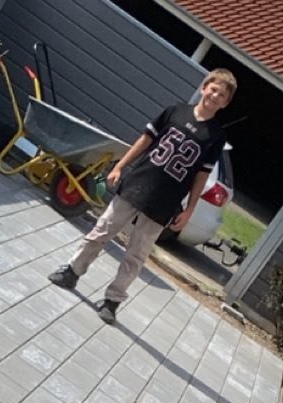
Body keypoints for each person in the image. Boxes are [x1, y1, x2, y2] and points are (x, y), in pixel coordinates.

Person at [48, 69, 237, 322]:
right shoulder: (175, 111)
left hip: (165, 201)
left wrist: (190, 209)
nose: (215, 96)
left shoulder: (215, 136)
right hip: (138, 184)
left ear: (225, 103)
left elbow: (201, 176)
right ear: (204, 88)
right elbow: (144, 140)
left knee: (137, 253)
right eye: (213, 89)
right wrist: (120, 166)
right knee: (102, 229)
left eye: (222, 95)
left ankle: (113, 300)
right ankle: (72, 271)